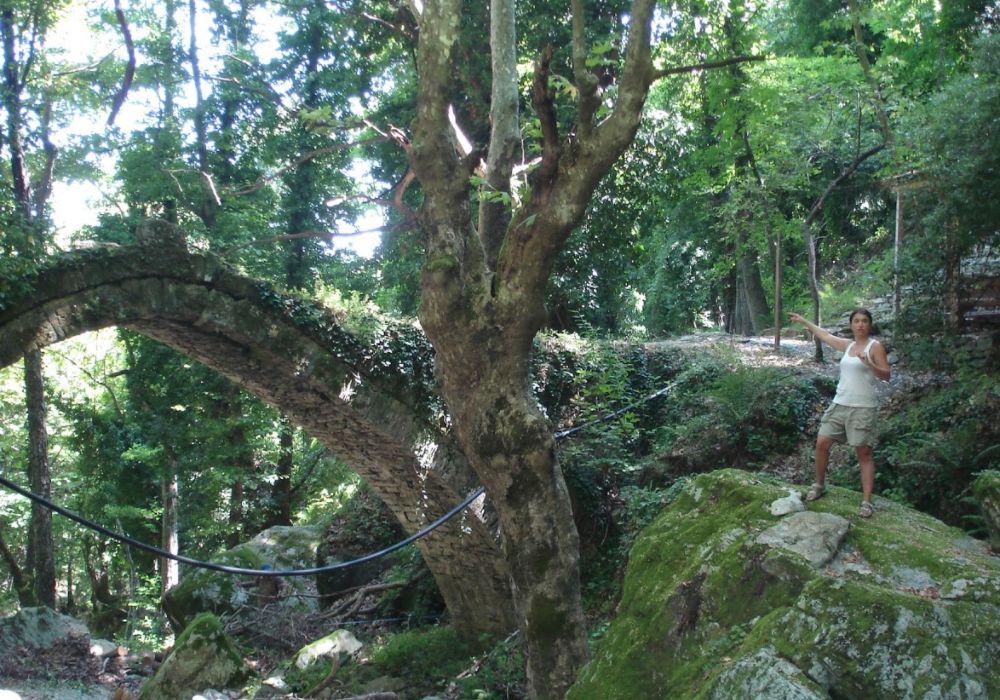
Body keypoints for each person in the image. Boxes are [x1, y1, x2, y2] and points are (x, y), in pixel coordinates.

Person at [788, 308, 891, 518]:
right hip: (840, 403)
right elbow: (825, 336)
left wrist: (868, 363)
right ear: (851, 325)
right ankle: (819, 485)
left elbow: (886, 375)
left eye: (864, 321)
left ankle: (867, 501)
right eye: (856, 321)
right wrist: (804, 321)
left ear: (869, 325)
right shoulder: (848, 345)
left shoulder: (875, 346)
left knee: (863, 453)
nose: (860, 324)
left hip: (863, 407)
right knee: (821, 444)